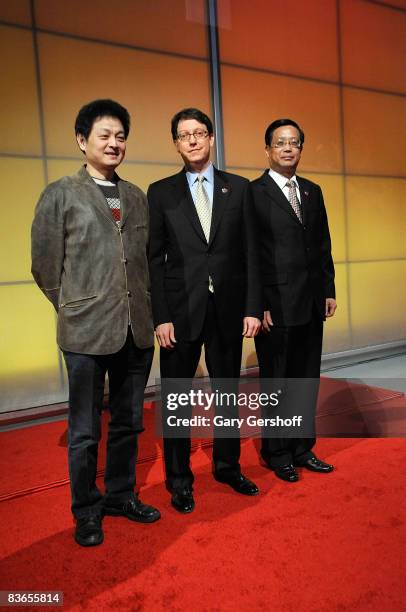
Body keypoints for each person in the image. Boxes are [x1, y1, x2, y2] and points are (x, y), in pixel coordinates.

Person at [31, 99, 160, 547]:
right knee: (85, 430)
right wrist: (74, 306)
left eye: (120, 136)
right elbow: (45, 268)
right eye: (104, 135)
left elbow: (143, 264)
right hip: (85, 332)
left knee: (128, 422)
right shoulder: (60, 194)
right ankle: (86, 509)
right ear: (82, 141)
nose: (114, 143)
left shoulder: (136, 197)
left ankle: (120, 495)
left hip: (135, 328)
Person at [148, 108, 262, 513]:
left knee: (228, 394)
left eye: (199, 133)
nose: (193, 140)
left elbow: (251, 253)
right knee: (177, 399)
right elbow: (153, 259)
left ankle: (228, 467)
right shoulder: (161, 192)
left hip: (229, 310)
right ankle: (179, 480)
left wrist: (252, 307)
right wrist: (160, 316)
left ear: (212, 138)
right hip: (179, 313)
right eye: (184, 135)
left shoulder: (240, 188)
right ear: (176, 143)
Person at [251, 118, 337, 483]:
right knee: (277, 382)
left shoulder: (313, 191)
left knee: (306, 379)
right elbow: (250, 254)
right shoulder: (253, 193)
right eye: (280, 142)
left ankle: (302, 447)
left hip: (311, 301)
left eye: (294, 142)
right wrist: (257, 304)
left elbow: (322, 244)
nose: (288, 148)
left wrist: (328, 289)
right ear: (268, 149)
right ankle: (277, 452)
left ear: (301, 148)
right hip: (276, 305)